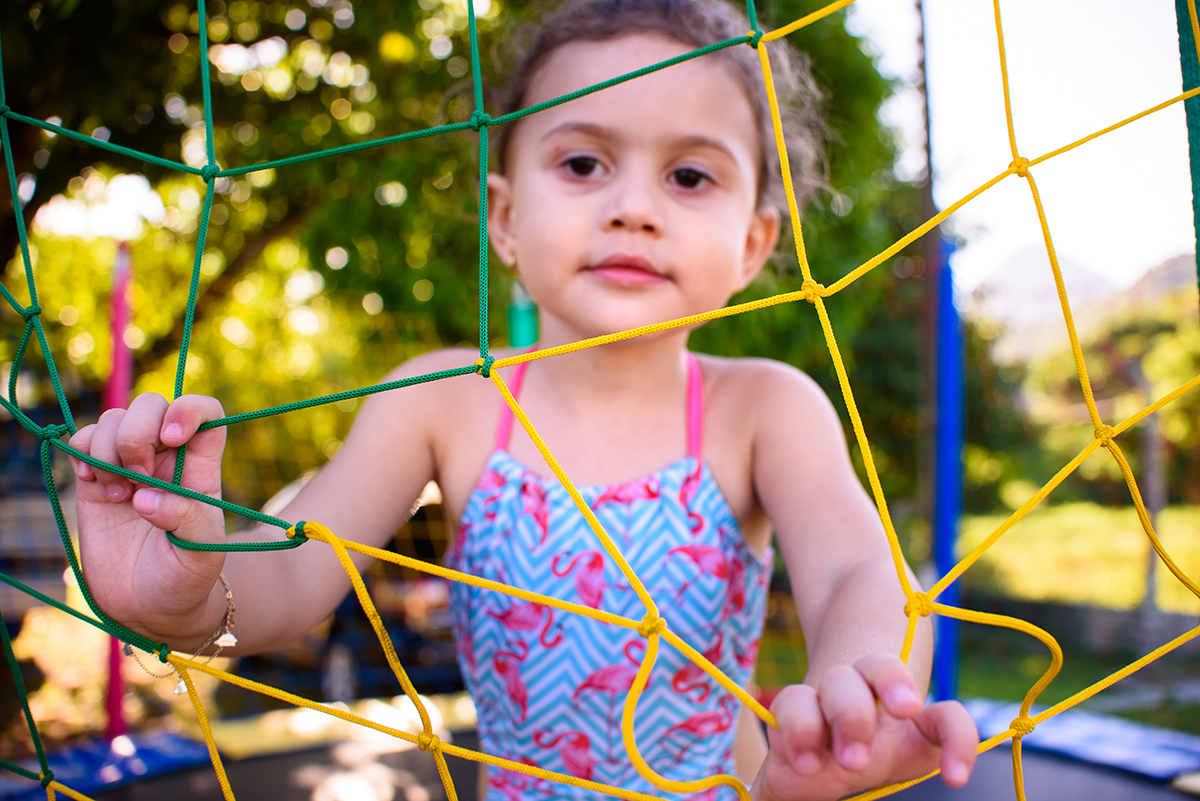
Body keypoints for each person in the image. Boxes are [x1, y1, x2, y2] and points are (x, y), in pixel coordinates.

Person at [68, 0, 979, 798]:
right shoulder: (445, 399)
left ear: (752, 244)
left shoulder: (762, 410)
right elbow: (298, 571)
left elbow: (859, 573)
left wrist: (857, 681)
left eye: (689, 176)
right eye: (584, 163)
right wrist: (192, 591)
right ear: (505, 217)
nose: (632, 206)